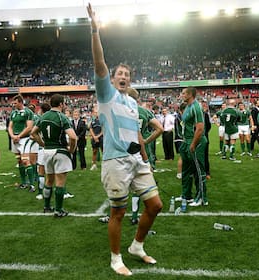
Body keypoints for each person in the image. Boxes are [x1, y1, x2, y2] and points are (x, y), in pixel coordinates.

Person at [88, 4, 163, 276]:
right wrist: (95, 29)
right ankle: (115, 258)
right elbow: (99, 62)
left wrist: (145, 158)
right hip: (115, 162)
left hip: (135, 160)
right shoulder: (106, 95)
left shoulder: (132, 103)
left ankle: (137, 247)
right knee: (118, 212)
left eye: (126, 76)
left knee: (155, 205)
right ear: (111, 78)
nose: (123, 77)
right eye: (119, 74)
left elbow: (137, 136)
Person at [31, 94, 77, 217]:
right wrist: (71, 149)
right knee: (60, 182)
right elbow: (73, 136)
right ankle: (59, 209)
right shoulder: (62, 117)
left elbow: (33, 133)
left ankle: (46, 206)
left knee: (49, 180)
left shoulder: (43, 116)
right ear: (61, 104)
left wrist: (43, 143)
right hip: (60, 151)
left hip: (47, 152)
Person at [126, 87, 163, 225]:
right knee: (143, 182)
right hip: (143, 150)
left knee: (124, 185)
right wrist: (147, 141)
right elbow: (160, 128)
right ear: (138, 99)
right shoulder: (144, 111)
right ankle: (144, 212)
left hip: (126, 151)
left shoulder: (121, 112)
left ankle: (131, 215)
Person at [179, 87, 208, 207]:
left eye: (184, 93)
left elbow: (200, 128)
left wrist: (193, 144)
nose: (181, 95)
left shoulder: (196, 107)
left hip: (196, 142)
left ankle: (202, 198)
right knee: (186, 170)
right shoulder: (187, 107)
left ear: (190, 95)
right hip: (186, 141)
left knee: (198, 171)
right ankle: (186, 195)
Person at [7, 94, 34, 189]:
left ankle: (32, 184)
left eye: (15, 103)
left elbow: (29, 127)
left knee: (26, 160)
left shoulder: (28, 112)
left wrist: (19, 136)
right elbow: (10, 126)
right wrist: (12, 136)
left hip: (24, 139)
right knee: (19, 161)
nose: (13, 105)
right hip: (15, 139)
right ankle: (24, 182)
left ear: (20, 102)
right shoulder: (13, 113)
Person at [34, 102, 51, 200]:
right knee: (54, 172)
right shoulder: (55, 118)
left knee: (41, 171)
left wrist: (40, 143)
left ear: (42, 110)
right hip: (53, 147)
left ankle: (40, 193)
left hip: (42, 148)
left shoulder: (40, 119)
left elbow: (33, 133)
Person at [201, 101, 212, 179]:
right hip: (197, 138)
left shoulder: (206, 115)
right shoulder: (195, 115)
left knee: (205, 155)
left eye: (205, 105)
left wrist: (204, 134)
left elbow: (208, 126)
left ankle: (207, 172)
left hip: (204, 138)